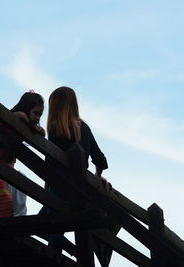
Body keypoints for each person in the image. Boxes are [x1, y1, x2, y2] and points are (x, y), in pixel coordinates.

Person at [40, 86, 109, 254]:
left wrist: (46, 186)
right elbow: (101, 160)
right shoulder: (84, 128)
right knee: (48, 224)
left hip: (60, 185)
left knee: (52, 224)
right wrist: (96, 177)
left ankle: (57, 257)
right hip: (81, 188)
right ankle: (76, 251)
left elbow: (50, 162)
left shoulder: (56, 127)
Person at [0, 91, 45, 218]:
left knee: (15, 195)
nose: (38, 118)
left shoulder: (24, 125)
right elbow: (22, 117)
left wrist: (35, 128)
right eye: (36, 113)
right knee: (4, 202)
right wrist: (34, 127)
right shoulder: (17, 116)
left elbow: (43, 133)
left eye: (40, 115)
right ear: (26, 109)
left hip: (1, 164)